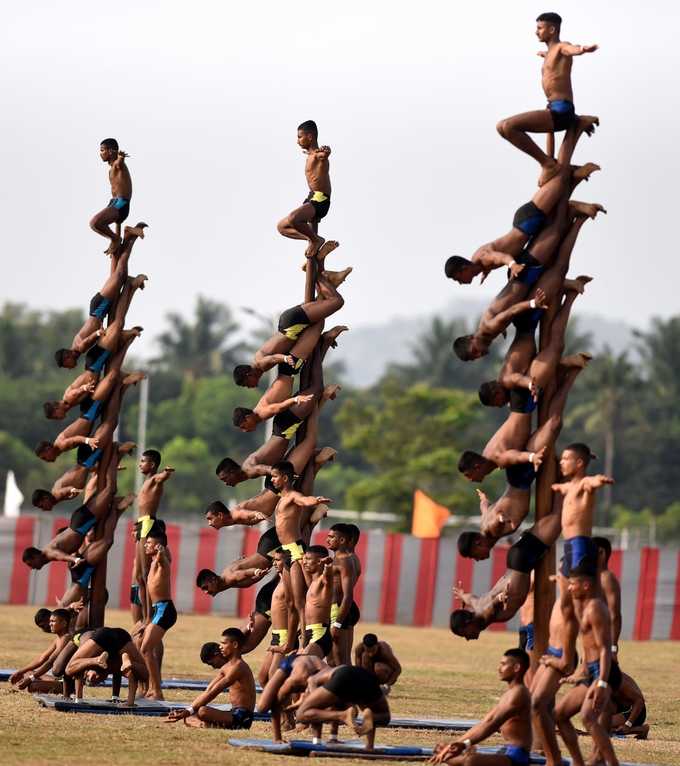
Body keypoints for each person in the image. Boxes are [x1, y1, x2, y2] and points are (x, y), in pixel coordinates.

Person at [444, 117, 600, 287]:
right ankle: (571, 166)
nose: (459, 282)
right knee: (555, 174)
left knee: (560, 172)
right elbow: (492, 258)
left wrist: (513, 265)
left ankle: (575, 128)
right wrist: (486, 272)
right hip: (527, 222)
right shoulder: (478, 262)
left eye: (457, 278)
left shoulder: (482, 258)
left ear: (463, 269)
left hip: (528, 220)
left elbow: (501, 257)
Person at [452, 195, 603, 361]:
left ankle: (570, 205)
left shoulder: (488, 329)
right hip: (524, 278)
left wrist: (533, 304)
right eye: (475, 357)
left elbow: (510, 311)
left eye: (474, 351)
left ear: (470, 339)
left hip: (525, 273)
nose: (479, 354)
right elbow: (501, 313)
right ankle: (574, 213)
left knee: (557, 234)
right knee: (558, 258)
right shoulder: (487, 331)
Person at [497, 13, 598, 183]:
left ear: (552, 29)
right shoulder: (550, 52)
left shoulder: (561, 47)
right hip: (552, 107)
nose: (536, 32)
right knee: (501, 127)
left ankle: (548, 164)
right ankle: (548, 162)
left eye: (539, 28)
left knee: (508, 126)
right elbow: (552, 58)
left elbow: (570, 49)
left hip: (562, 109)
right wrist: (546, 55)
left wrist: (581, 50)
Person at [458, 355, 587, 488]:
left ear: (477, 467)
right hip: (520, 410)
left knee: (554, 421)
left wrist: (532, 457)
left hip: (521, 405)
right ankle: (568, 369)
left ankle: (565, 365)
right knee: (554, 420)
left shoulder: (496, 458)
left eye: (468, 475)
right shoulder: (488, 456)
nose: (470, 480)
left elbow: (514, 456)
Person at [451, 494, 564, 638]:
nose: (468, 638)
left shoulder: (484, 614)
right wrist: (462, 594)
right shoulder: (476, 605)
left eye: (464, 634)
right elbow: (470, 598)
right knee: (556, 514)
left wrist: (500, 598)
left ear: (468, 622)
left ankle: (566, 481)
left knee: (559, 515)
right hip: (517, 559)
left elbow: (491, 606)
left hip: (522, 560)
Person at [555, 574, 620, 766]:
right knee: (559, 714)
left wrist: (601, 682)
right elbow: (586, 645)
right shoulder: (581, 606)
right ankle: (578, 762)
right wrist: (579, 673)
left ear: (586, 585)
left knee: (587, 717)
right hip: (590, 671)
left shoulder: (595, 609)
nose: (570, 588)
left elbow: (605, 649)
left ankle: (612, 763)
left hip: (603, 672)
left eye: (573, 584)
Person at [23, 441, 121, 569]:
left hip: (80, 521)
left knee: (110, 490)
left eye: (31, 564)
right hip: (79, 521)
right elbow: (63, 541)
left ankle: (115, 450)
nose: (32, 568)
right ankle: (113, 456)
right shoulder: (49, 550)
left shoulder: (49, 553)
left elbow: (59, 555)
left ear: (35, 557)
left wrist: (73, 559)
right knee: (107, 495)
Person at [430, 649, 532, 766]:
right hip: (507, 750)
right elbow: (485, 722)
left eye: (503, 664)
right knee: (445, 748)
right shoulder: (510, 693)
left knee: (471, 762)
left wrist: (464, 744)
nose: (499, 669)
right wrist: (455, 744)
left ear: (516, 668)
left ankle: (452, 759)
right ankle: (457, 756)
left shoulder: (519, 694)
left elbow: (492, 724)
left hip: (517, 756)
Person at [270, 462, 331, 642]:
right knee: (290, 602)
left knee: (300, 602)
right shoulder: (281, 498)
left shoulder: (293, 496)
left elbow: (304, 500)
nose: (272, 480)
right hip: (286, 552)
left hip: (296, 552)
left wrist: (316, 500)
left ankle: (305, 640)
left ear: (285, 478)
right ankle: (290, 643)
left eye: (275, 476)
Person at [530, 577, 579, 766]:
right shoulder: (563, 598)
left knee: (537, 704)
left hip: (562, 658)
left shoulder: (572, 602)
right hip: (552, 652)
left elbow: (567, 665)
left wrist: (560, 578)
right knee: (533, 703)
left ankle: (554, 758)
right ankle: (548, 751)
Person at [166, 628, 256, 728]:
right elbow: (208, 690)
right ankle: (207, 724)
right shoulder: (226, 667)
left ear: (234, 645)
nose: (220, 647)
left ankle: (208, 725)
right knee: (195, 712)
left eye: (223, 643)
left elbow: (215, 691)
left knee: (202, 711)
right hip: (233, 712)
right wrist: (189, 709)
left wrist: (189, 711)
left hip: (243, 717)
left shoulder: (239, 667)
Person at [54, 273, 145, 371]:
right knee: (120, 309)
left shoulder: (78, 348)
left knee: (118, 276)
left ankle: (128, 281)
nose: (69, 368)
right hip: (98, 311)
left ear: (67, 357)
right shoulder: (77, 348)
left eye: (66, 365)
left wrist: (97, 333)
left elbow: (87, 341)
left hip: (98, 309)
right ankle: (129, 283)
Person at [58, 494, 134, 607]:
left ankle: (113, 507)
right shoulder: (80, 541)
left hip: (80, 580)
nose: (90, 532)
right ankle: (113, 507)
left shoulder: (81, 537)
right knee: (107, 541)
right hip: (80, 580)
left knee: (107, 540)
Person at [277, 120, 338, 259]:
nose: (297, 141)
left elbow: (324, 155)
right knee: (282, 227)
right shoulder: (310, 154)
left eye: (300, 137)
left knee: (293, 218)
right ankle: (312, 238)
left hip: (320, 200)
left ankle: (316, 240)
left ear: (310, 137)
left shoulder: (318, 155)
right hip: (311, 198)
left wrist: (326, 152)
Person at [552, 444, 614, 578]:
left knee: (580, 594)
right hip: (568, 545)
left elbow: (592, 481)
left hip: (580, 544)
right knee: (565, 594)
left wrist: (600, 479)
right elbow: (558, 487)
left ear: (579, 463)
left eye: (566, 459)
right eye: (561, 459)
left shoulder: (584, 483)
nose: (561, 462)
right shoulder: (569, 487)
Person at [296, 664, 391, 750]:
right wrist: (370, 746)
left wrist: (317, 709)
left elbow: (312, 684)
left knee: (301, 714)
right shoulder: (329, 674)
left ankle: (343, 715)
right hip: (366, 677)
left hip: (344, 675)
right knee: (382, 714)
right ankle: (369, 746)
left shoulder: (314, 677)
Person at [235, 324, 348, 389]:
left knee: (333, 302)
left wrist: (285, 358)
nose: (249, 387)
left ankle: (325, 283)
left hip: (291, 329)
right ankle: (325, 338)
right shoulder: (259, 366)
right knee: (325, 303)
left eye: (246, 384)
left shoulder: (259, 364)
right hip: (293, 332)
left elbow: (273, 358)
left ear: (248, 375)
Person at [133, 450, 174, 620]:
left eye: (143, 461)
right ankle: (144, 616)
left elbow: (161, 477)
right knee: (139, 576)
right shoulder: (147, 481)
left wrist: (166, 472)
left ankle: (149, 618)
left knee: (145, 573)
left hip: (149, 524)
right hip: (142, 524)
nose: (140, 464)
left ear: (152, 465)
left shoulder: (155, 479)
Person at [139, 526, 178, 700]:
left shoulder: (162, 560)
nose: (146, 545)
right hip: (158, 610)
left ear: (158, 545)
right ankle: (151, 688)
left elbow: (164, 558)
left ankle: (157, 691)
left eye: (149, 542)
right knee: (146, 647)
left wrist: (161, 552)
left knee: (145, 648)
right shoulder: (153, 561)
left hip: (165, 610)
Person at [65, 626, 148, 706]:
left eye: (87, 679)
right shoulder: (114, 667)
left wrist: (78, 699)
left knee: (70, 669)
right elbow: (132, 674)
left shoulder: (87, 662)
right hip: (120, 636)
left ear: (86, 673)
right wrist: (130, 702)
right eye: (92, 682)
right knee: (143, 674)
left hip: (103, 636)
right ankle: (125, 657)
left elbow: (73, 669)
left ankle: (97, 660)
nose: (91, 679)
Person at [257, 652, 328, 743]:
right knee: (262, 707)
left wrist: (323, 739)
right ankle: (286, 724)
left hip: (312, 665)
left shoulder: (328, 682)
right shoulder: (297, 679)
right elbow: (276, 701)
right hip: (291, 663)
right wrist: (277, 738)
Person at [10, 609, 73, 694]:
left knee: (32, 686)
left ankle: (66, 690)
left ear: (64, 623)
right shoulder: (59, 638)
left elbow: (50, 662)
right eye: (50, 621)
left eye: (53, 621)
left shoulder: (66, 638)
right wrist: (20, 672)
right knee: (27, 673)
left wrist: (31, 679)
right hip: (59, 679)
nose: (50, 624)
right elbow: (41, 658)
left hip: (67, 684)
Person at [90, 138, 134, 255]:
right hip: (113, 203)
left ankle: (115, 239)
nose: (100, 154)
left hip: (121, 204)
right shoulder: (110, 170)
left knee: (95, 222)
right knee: (94, 225)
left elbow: (120, 163)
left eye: (102, 150)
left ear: (110, 151)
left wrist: (121, 157)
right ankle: (114, 239)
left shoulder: (117, 165)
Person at [327, 523, 361, 666]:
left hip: (340, 609)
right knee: (335, 659)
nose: (327, 540)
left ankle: (349, 686)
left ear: (344, 540)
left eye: (332, 537)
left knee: (339, 660)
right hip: (343, 608)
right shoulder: (352, 558)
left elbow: (347, 594)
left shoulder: (344, 560)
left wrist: (337, 622)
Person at [299, 545, 334, 657]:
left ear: (319, 562)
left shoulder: (323, 582)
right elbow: (302, 564)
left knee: (303, 665)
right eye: (305, 559)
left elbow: (328, 578)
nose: (305, 562)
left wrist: (328, 565)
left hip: (320, 634)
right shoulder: (312, 583)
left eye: (308, 559)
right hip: (309, 633)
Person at [593, 536, 622, 657]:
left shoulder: (607, 578)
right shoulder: (594, 578)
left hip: (603, 643)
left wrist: (613, 647)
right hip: (592, 641)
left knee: (605, 674)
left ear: (601, 552)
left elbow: (614, 615)